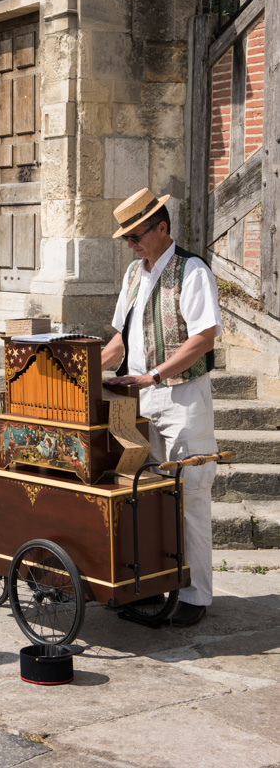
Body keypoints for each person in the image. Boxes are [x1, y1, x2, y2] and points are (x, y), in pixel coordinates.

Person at [101, 188, 222, 628]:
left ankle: (196, 594)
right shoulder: (135, 273)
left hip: (183, 398)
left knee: (188, 494)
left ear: (162, 228)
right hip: (139, 400)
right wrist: (80, 370)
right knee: (142, 496)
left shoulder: (192, 271)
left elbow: (203, 338)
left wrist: (155, 374)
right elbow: (119, 342)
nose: (131, 245)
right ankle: (150, 585)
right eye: (126, 239)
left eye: (135, 236)